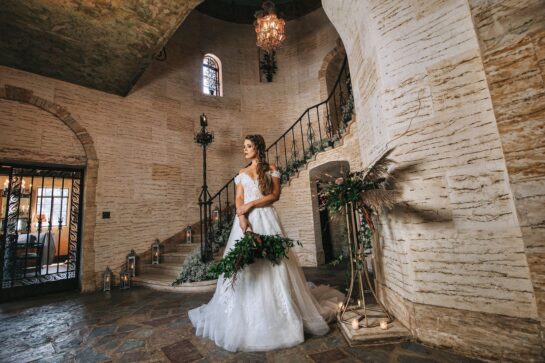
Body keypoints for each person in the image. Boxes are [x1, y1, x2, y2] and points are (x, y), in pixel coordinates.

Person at [188, 134, 344, 352]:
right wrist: (242, 217)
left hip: (267, 219)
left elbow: (275, 195)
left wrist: (250, 205)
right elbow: (238, 200)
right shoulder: (242, 173)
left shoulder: (272, 168)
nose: (244, 150)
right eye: (244, 146)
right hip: (246, 221)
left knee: (275, 264)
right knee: (246, 266)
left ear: (258, 148)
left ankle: (281, 314)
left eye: (248, 146)